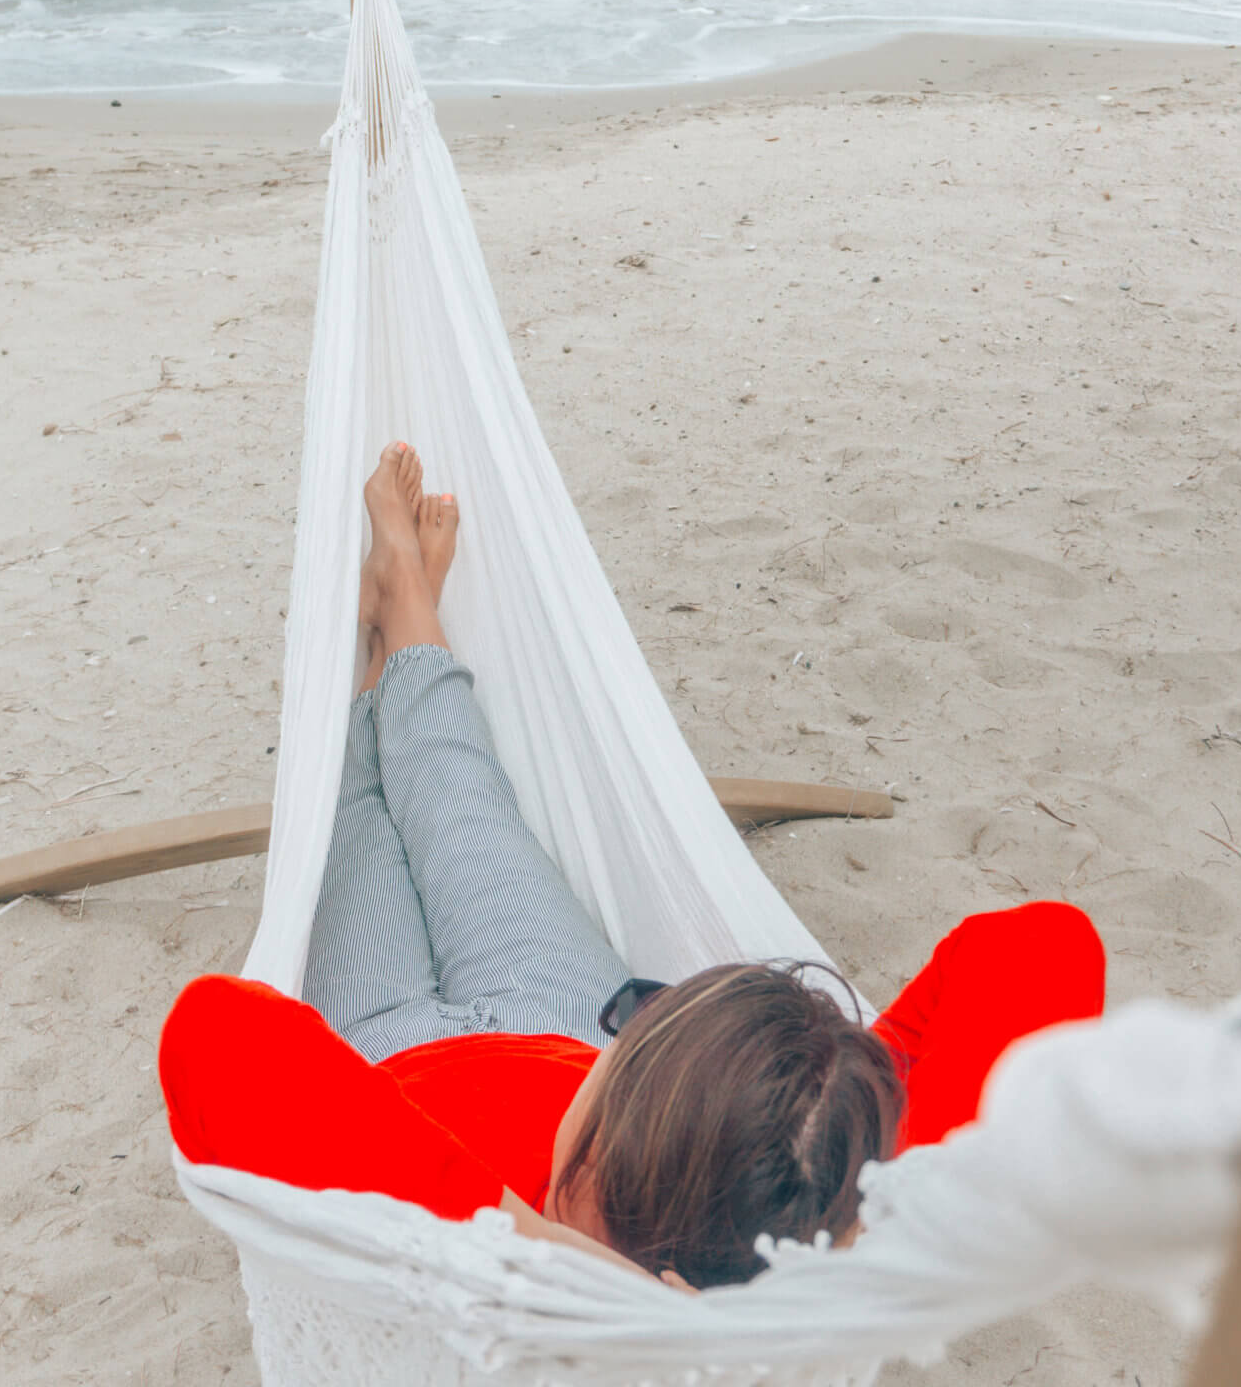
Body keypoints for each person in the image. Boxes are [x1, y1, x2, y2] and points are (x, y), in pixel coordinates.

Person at [160, 444, 1106, 1287]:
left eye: (612, 1080)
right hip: (558, 1001)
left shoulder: (486, 1267)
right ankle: (406, 612)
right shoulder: (810, 1192)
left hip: (380, 1055)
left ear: (601, 1158)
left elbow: (218, 1035)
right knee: (460, 798)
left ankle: (386, 644)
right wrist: (875, 1219)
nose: (600, 1075)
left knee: (354, 818)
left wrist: (527, 1241)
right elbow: (1046, 947)